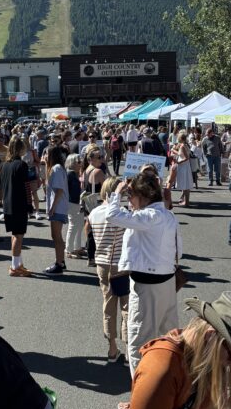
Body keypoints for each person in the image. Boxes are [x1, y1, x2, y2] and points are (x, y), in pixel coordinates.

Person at [106, 171, 180, 377]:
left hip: (146, 286)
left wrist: (116, 194)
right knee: (168, 335)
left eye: (131, 196)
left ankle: (140, 396)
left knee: (139, 340)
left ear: (144, 195)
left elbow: (112, 215)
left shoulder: (148, 216)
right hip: (167, 280)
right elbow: (178, 250)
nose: (129, 200)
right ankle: (170, 382)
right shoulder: (167, 215)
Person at [89, 176, 129, 362]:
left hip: (102, 263)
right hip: (120, 264)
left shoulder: (94, 213)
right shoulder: (120, 212)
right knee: (127, 307)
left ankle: (112, 348)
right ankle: (129, 348)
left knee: (108, 305)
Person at [0, 136, 33, 277]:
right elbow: (27, 187)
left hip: (8, 203)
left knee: (15, 235)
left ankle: (17, 263)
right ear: (20, 149)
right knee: (18, 236)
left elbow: (2, 185)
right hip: (18, 204)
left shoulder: (5, 165)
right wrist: (30, 203)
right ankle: (14, 267)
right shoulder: (22, 165)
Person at [44, 145, 69, 276]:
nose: (44, 156)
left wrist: (52, 208)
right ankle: (61, 261)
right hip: (57, 206)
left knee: (56, 236)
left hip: (58, 207)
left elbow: (59, 190)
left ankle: (59, 263)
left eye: (46, 154)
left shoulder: (57, 168)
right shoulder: (53, 168)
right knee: (56, 236)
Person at [64, 154, 85, 259]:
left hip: (76, 202)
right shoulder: (70, 174)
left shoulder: (74, 173)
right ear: (72, 163)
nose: (80, 163)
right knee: (73, 226)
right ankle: (69, 250)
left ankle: (77, 247)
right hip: (72, 203)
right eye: (78, 162)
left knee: (79, 224)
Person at [172, 131, 193, 207]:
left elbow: (186, 157)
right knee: (186, 184)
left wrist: (178, 162)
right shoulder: (185, 145)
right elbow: (182, 154)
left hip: (183, 166)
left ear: (180, 138)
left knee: (185, 184)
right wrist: (175, 151)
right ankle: (186, 201)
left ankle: (186, 202)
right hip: (185, 166)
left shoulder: (182, 146)